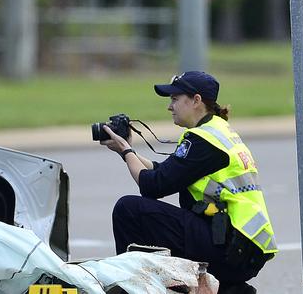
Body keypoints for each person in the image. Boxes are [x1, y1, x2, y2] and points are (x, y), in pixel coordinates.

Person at [101, 71, 277, 294]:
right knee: (156, 216)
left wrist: (127, 152)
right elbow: (164, 172)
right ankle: (230, 289)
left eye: (175, 99)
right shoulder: (215, 131)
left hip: (232, 248)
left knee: (129, 209)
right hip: (239, 247)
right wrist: (126, 150)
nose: (169, 106)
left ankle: (136, 288)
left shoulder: (205, 140)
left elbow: (153, 186)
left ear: (196, 101)